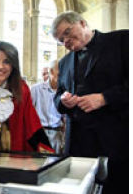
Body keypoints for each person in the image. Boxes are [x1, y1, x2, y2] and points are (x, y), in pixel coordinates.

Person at [51, 11, 128, 194]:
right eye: (61, 40)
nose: (66, 41)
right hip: (79, 143)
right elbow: (58, 96)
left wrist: (104, 98)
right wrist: (63, 101)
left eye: (67, 33)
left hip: (116, 138)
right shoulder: (64, 63)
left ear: (82, 23)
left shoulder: (121, 41)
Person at [30, 60, 65, 154]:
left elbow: (64, 118)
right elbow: (28, 113)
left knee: (54, 164)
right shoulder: (36, 90)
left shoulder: (64, 92)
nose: (63, 76)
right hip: (40, 132)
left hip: (56, 134)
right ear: (51, 71)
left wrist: (64, 138)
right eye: (60, 72)